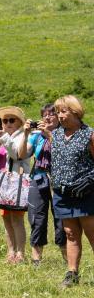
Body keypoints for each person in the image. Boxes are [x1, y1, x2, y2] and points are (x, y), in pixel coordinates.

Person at [48, 96, 94, 288]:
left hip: (85, 192)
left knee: (92, 233)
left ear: (75, 112)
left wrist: (91, 179)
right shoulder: (56, 134)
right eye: (58, 111)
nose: (60, 115)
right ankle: (72, 273)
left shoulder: (89, 134)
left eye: (64, 111)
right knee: (70, 234)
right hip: (63, 193)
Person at [0, 106, 31, 264]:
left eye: (12, 120)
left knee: (17, 219)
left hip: (17, 185)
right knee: (6, 219)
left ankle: (20, 253)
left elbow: (16, 155)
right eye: (5, 120)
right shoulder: (1, 137)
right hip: (2, 183)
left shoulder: (23, 137)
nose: (8, 123)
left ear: (19, 123)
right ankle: (10, 251)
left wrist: (4, 138)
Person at [26, 105, 63, 265]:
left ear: (59, 117)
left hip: (59, 179)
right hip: (39, 177)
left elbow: (64, 150)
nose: (47, 118)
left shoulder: (65, 133)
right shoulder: (36, 136)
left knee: (61, 220)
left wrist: (48, 135)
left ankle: (68, 260)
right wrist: (26, 134)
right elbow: (22, 154)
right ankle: (36, 260)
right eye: (44, 115)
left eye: (51, 114)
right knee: (37, 218)